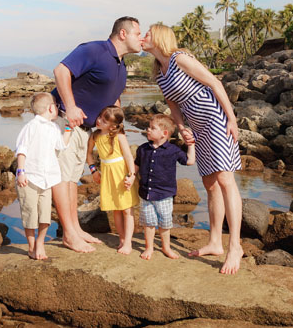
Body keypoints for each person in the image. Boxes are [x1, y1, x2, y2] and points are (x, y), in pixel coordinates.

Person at [142, 23, 244, 275]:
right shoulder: (160, 73)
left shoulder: (180, 59)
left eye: (147, 33)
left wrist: (231, 118)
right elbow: (173, 105)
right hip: (197, 127)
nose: (143, 37)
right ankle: (215, 242)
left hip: (216, 121)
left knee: (224, 179)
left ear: (159, 38)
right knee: (210, 184)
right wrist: (180, 127)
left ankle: (235, 247)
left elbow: (214, 83)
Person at [51, 16, 143, 253]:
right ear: (123, 34)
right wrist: (70, 106)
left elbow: (113, 100)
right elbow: (61, 71)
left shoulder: (121, 66)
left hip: (86, 129)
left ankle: (75, 228)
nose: (141, 38)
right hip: (65, 122)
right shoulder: (95, 49)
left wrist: (116, 129)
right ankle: (69, 235)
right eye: (137, 33)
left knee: (71, 178)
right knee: (62, 178)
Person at [135, 113, 196, 260]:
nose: (148, 130)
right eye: (149, 127)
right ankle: (149, 247)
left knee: (164, 222)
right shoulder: (143, 149)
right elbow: (136, 165)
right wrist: (130, 177)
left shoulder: (173, 150)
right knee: (148, 223)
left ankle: (166, 247)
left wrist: (191, 145)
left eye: (152, 128)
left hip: (164, 194)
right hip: (146, 193)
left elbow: (189, 161)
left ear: (164, 133)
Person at [14, 92, 65, 260]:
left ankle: (40, 243)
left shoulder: (54, 127)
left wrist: (69, 128)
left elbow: (61, 145)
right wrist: (21, 172)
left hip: (46, 178)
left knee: (44, 214)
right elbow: (22, 150)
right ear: (51, 108)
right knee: (30, 213)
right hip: (29, 178)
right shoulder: (31, 127)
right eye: (56, 106)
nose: (57, 109)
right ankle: (31, 246)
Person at [86, 106, 139, 254]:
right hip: (107, 174)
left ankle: (128, 242)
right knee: (116, 208)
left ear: (113, 125)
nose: (98, 121)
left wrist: (131, 175)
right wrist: (93, 171)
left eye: (104, 121)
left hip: (121, 174)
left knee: (127, 209)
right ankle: (122, 239)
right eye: (100, 118)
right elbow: (89, 155)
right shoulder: (95, 136)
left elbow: (128, 156)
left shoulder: (119, 136)